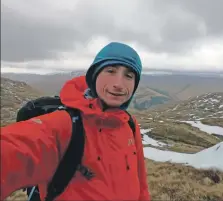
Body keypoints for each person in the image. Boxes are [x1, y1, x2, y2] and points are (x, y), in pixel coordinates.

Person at [0, 42, 150, 201]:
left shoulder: (130, 124)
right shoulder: (66, 123)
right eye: (110, 71)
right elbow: (14, 148)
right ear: (95, 75)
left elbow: (142, 186)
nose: (119, 84)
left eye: (129, 75)